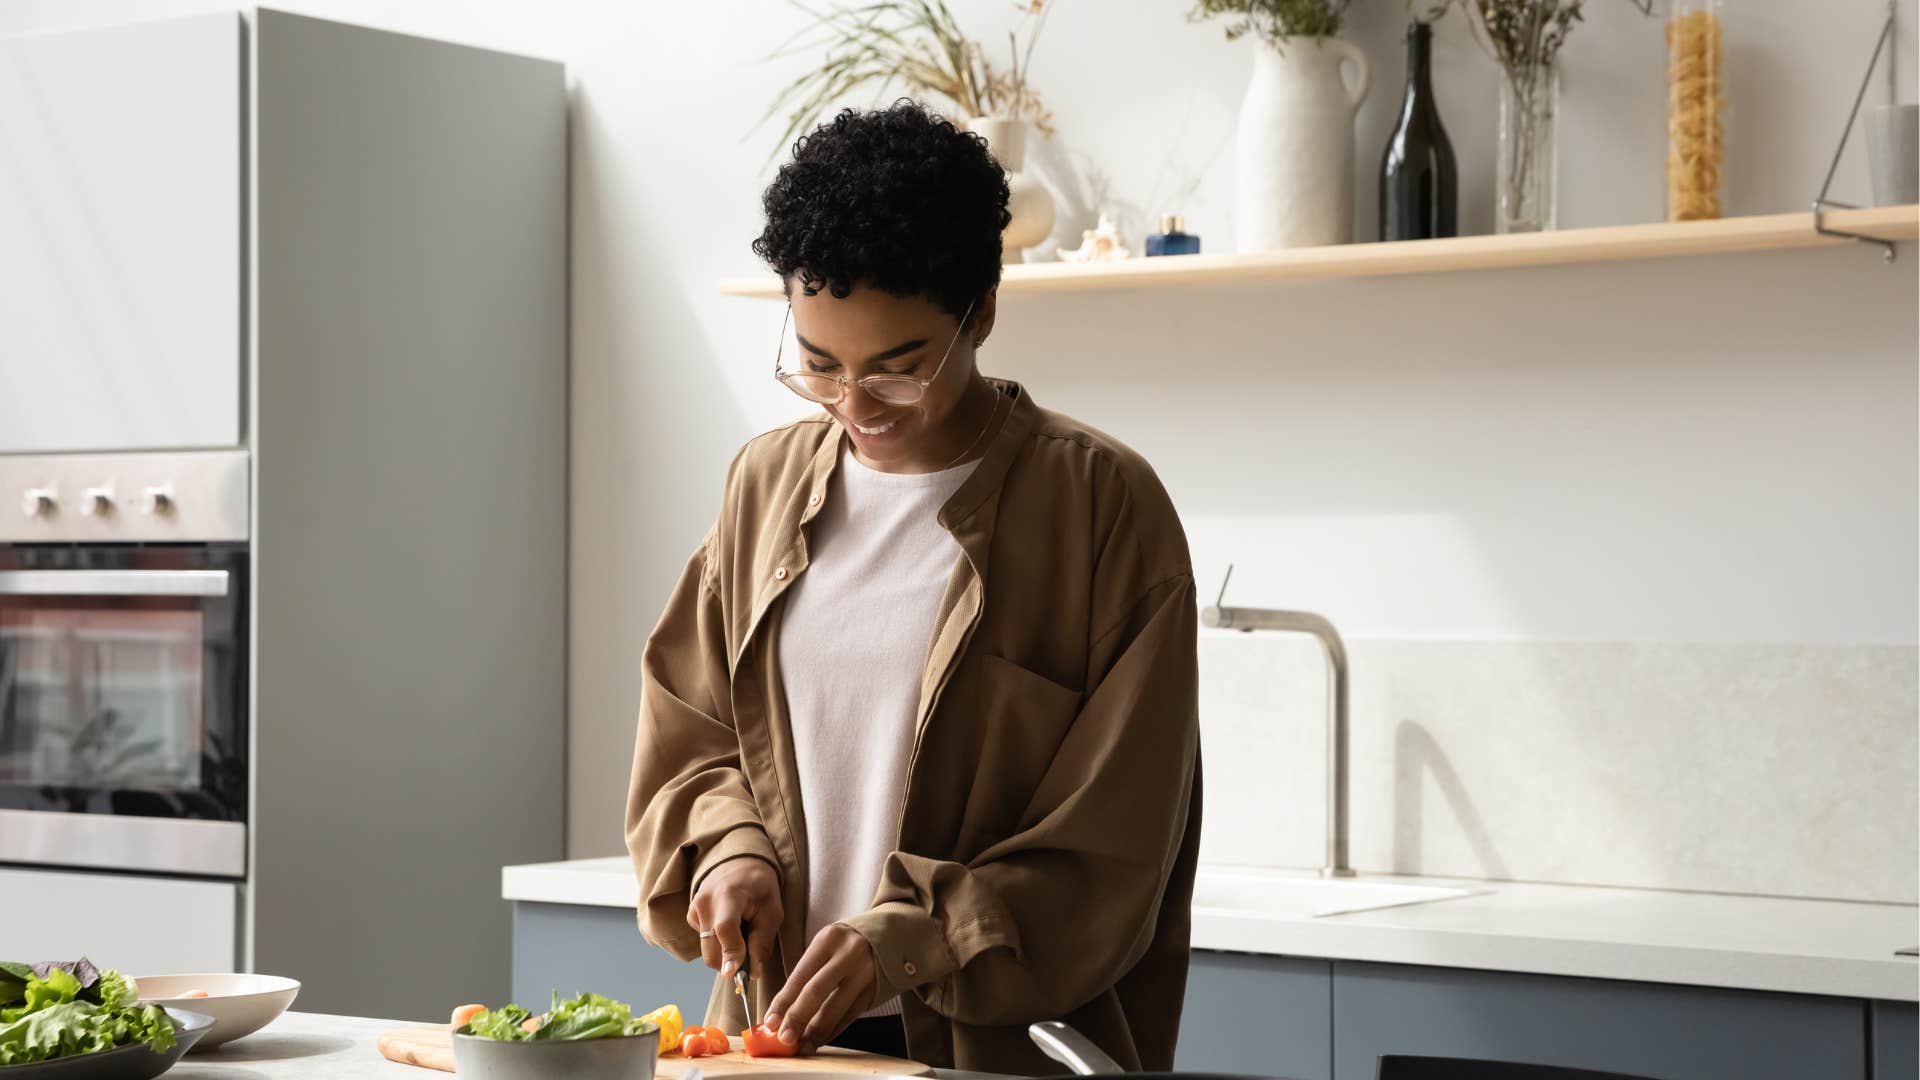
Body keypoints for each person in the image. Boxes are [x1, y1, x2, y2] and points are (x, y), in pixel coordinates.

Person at [625, 99, 1201, 1076]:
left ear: (979, 312)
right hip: (777, 1045)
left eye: (898, 371)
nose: (855, 407)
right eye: (817, 366)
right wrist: (726, 847)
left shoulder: (1103, 507)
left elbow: (1114, 846)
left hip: (1001, 1052)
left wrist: (905, 939)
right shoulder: (764, 485)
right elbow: (693, 725)